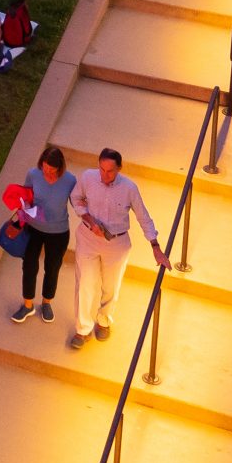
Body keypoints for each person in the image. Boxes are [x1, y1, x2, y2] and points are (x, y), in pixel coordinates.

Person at [66, 148, 164, 351]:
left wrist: (155, 246)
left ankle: (103, 321)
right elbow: (76, 199)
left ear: (119, 168)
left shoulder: (129, 188)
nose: (104, 175)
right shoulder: (88, 177)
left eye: (110, 171)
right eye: (101, 169)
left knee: (111, 286)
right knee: (85, 282)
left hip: (117, 244)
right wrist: (88, 219)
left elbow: (143, 216)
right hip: (88, 238)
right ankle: (82, 329)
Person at [8, 145, 75, 325]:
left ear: (60, 167)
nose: (47, 172)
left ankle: (46, 303)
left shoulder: (70, 180)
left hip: (58, 232)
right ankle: (27, 305)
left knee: (52, 268)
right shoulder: (33, 174)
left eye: (52, 170)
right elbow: (26, 197)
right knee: (29, 266)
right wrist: (23, 208)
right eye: (45, 167)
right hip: (33, 228)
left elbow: (78, 204)